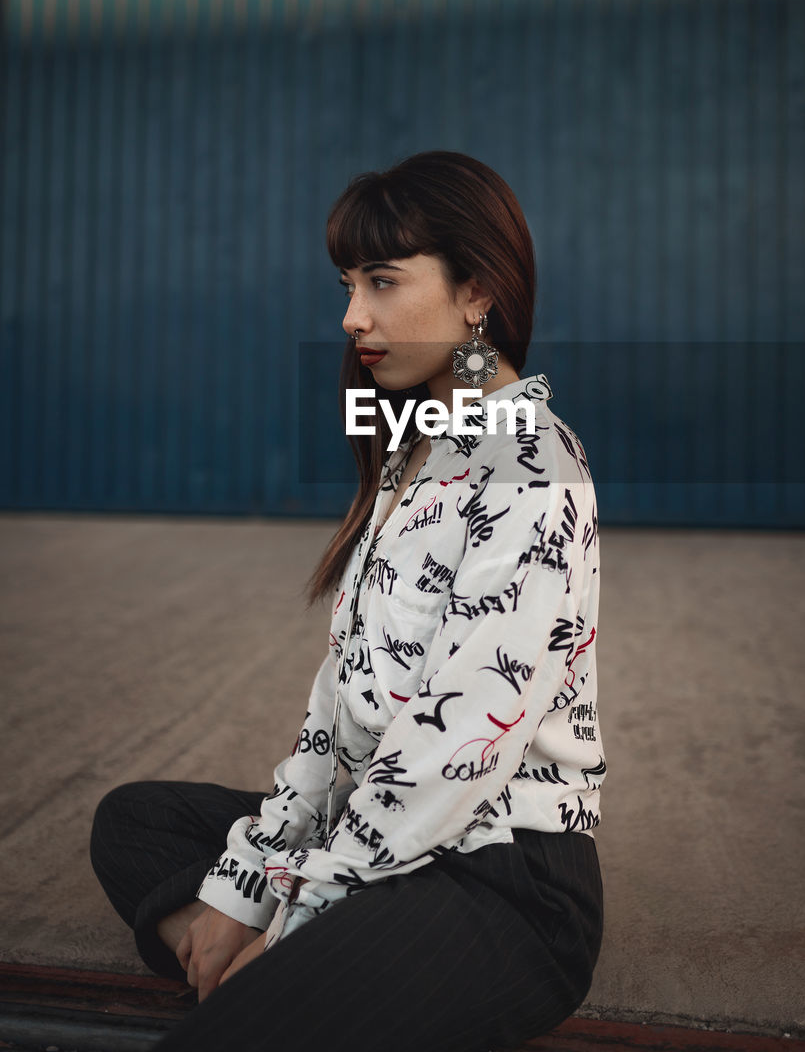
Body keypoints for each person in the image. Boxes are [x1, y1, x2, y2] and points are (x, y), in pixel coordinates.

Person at [90, 150, 605, 1052]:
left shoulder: (529, 467)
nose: (351, 316)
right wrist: (250, 883)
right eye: (346, 282)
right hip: (375, 831)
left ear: (476, 291)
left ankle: (275, 988)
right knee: (134, 823)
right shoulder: (416, 449)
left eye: (380, 281)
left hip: (496, 879)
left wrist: (291, 915)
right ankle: (278, 986)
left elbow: (452, 759)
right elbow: (337, 702)